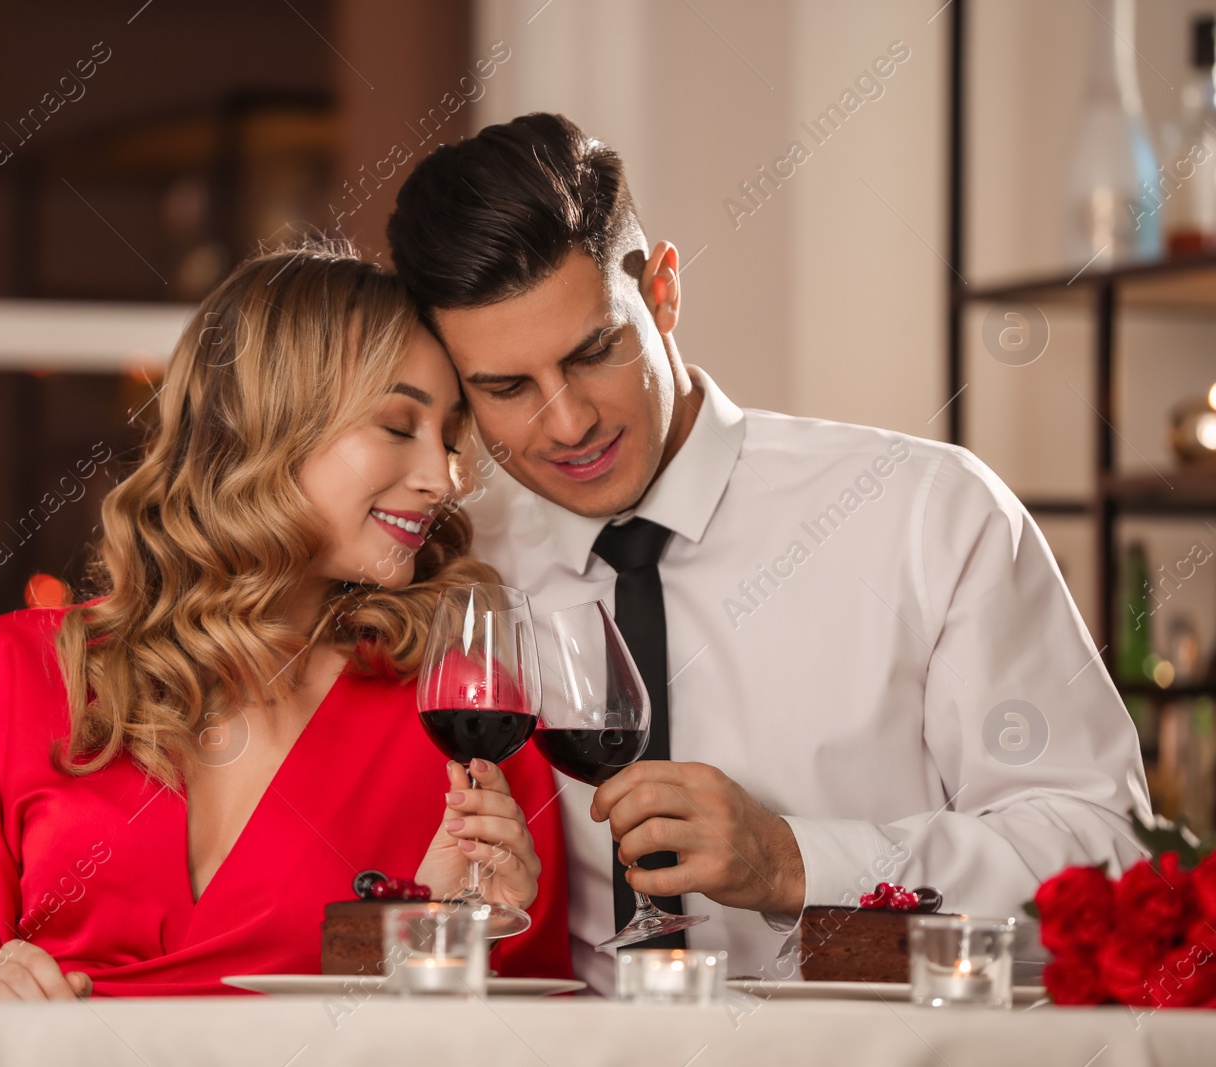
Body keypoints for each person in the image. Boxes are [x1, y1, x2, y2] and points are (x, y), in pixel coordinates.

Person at [380, 112, 1151, 992]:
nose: (568, 422)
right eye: (506, 388)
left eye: (596, 351)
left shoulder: (926, 514)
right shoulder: (459, 578)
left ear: (664, 291)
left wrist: (797, 862)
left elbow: (1108, 858)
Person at [0, 247, 572, 1061]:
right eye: (399, 426)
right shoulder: (10, 676)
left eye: (449, 438)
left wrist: (445, 938)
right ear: (266, 421)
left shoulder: (456, 718)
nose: (441, 476)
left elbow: (521, 1035)